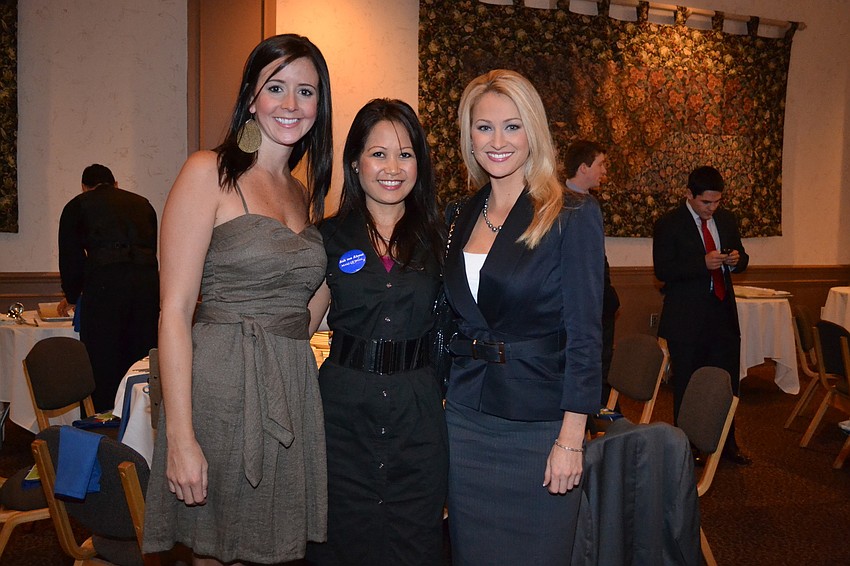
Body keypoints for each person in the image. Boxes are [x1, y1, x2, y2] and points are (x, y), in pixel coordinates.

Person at [142, 34, 333, 564]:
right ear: (251, 97)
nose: (291, 104)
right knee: (215, 547)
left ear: (320, 105)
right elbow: (174, 312)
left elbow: (301, 316)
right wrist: (181, 436)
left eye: (306, 91)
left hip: (289, 385)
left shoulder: (303, 192)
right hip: (220, 386)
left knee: (272, 546)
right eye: (276, 87)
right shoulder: (208, 171)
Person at [443, 70, 604, 565]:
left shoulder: (570, 213)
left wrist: (571, 439)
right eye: (484, 127)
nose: (497, 141)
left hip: (540, 426)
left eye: (512, 126)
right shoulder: (458, 214)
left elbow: (585, 336)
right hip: (464, 420)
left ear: (533, 130)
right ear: (469, 136)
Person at [307, 99, 448, 566]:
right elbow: (297, 326)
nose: (392, 168)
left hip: (418, 416)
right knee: (339, 543)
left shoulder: (441, 237)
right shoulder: (326, 238)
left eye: (405, 154)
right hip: (342, 417)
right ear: (355, 162)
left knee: (415, 544)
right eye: (378, 154)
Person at [653, 165, 751, 466]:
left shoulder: (726, 219)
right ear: (689, 194)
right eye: (706, 202)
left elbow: (743, 258)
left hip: (722, 314)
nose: (712, 208)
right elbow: (663, 270)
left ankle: (727, 443)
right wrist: (702, 264)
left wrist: (736, 261)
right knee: (687, 383)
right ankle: (687, 446)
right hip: (686, 318)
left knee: (726, 383)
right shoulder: (669, 223)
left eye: (717, 201)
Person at [58, 164, 159, 412]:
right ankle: (142, 419)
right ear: (115, 184)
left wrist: (72, 295)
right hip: (146, 287)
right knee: (141, 357)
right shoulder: (143, 204)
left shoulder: (77, 206)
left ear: (85, 187)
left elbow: (70, 258)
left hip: (105, 287)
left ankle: (104, 421)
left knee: (102, 360)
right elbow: (151, 248)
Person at [563, 140, 621, 407]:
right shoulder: (566, 204)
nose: (604, 171)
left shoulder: (590, 202)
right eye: (601, 164)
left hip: (601, 300)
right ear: (583, 168)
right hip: (582, 305)